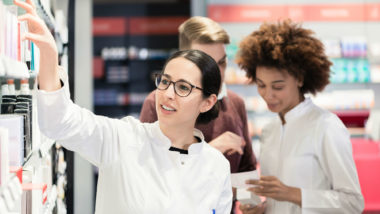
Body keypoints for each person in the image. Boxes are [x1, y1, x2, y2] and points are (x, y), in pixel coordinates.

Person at [14, 0, 232, 213]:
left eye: (183, 87)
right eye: (165, 82)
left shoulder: (217, 167)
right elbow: (59, 122)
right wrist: (50, 56)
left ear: (208, 102)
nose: (167, 94)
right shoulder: (122, 139)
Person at [235, 20, 364, 214]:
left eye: (278, 87)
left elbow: (353, 203)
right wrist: (263, 208)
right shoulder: (270, 130)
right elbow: (278, 202)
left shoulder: (326, 126)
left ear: (300, 79)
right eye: (261, 85)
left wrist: (293, 194)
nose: (268, 95)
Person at [140, 16, 257, 174]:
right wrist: (211, 151)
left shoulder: (235, 103)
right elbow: (149, 172)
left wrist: (240, 193)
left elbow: (247, 170)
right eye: (207, 65)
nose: (218, 73)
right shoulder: (159, 102)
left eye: (222, 62)